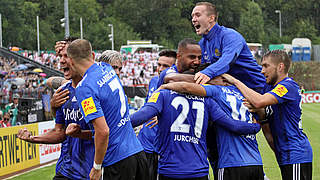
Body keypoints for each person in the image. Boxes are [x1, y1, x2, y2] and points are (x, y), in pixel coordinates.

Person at [130, 86, 261, 179]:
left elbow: (140, 116)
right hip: (199, 170)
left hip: (169, 169)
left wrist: (118, 126)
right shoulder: (207, 100)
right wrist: (255, 127)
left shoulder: (164, 94)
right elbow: (232, 125)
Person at [222, 50, 313, 180]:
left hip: (296, 152)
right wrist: (261, 114)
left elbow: (259, 102)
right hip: (284, 153)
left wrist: (235, 81)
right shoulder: (268, 88)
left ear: (280, 67)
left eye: (266, 66)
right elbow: (265, 115)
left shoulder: (288, 86)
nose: (262, 71)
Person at [66, 39, 148, 180]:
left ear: (71, 62)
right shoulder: (107, 69)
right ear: (92, 54)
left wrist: (97, 167)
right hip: (138, 153)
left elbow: (103, 131)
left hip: (118, 161)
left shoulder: (84, 88)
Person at [18, 38, 95, 180]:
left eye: (66, 56)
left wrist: (80, 134)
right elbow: (60, 132)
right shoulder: (62, 93)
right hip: (65, 171)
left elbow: (105, 132)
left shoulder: (96, 89)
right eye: (60, 56)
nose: (61, 61)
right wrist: (33, 138)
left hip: (91, 172)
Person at [160, 76, 265, 180]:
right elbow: (263, 111)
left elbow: (186, 87)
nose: (206, 81)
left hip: (232, 162)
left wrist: (165, 86)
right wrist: (258, 123)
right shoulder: (244, 92)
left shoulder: (216, 91)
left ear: (223, 79)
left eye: (209, 78)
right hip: (256, 162)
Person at [191, 1, 265, 91]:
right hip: (234, 90)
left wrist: (208, 72)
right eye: (192, 16)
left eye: (197, 15)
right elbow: (199, 67)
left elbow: (227, 60)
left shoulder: (230, 35)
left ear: (211, 18)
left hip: (258, 88)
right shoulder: (202, 43)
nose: (193, 19)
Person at [137, 49, 176, 180]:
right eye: (159, 65)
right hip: (144, 144)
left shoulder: (179, 87)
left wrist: (165, 117)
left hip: (162, 148)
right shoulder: (154, 81)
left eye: (166, 66)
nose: (160, 69)